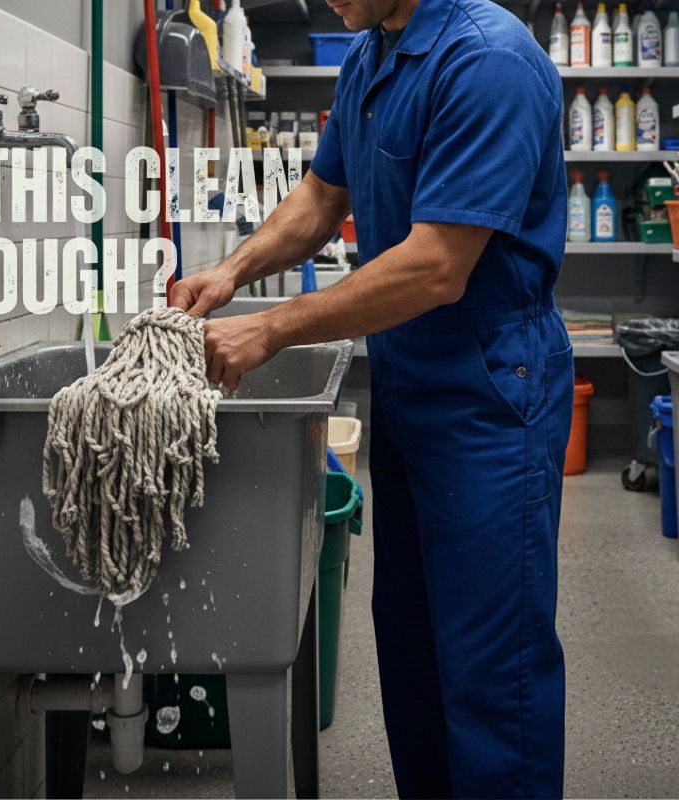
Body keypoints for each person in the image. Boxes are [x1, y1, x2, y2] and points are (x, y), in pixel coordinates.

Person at [171, 0, 572, 795]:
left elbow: (436, 266)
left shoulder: (488, 60)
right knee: (415, 651)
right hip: (409, 384)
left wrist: (273, 329)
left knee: (494, 671)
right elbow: (322, 199)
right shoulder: (372, 56)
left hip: (490, 395)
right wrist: (233, 272)